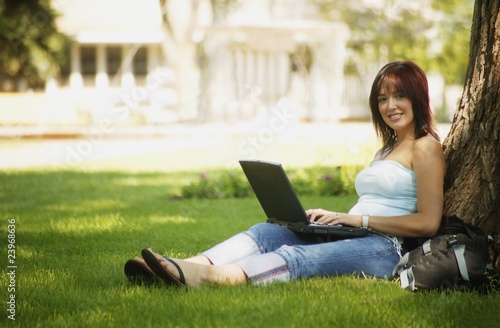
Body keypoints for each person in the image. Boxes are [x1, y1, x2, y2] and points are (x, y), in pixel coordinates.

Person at [124, 60, 446, 288]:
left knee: (293, 255)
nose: (390, 105)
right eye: (382, 98)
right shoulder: (386, 150)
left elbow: (428, 223)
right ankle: (184, 265)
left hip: (384, 248)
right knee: (266, 233)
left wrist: (355, 220)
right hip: (352, 233)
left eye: (398, 95)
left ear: (417, 97)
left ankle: (211, 278)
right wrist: (332, 220)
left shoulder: (425, 148)